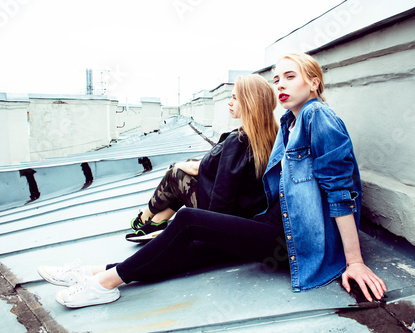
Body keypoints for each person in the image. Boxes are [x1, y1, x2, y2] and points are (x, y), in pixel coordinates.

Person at [38, 52, 387, 308]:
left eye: (290, 77)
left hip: (293, 240)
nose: (280, 84)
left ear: (314, 82)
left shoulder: (318, 116)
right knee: (197, 249)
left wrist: (353, 261)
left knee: (188, 220)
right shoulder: (289, 124)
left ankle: (105, 283)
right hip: (275, 226)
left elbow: (341, 192)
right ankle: (97, 272)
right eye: (277, 79)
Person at [125, 74, 279, 242]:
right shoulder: (272, 134)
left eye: (235, 97)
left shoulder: (239, 140)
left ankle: (143, 220)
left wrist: (210, 229)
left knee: (175, 174)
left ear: (250, 102)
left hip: (225, 220)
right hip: (246, 214)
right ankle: (156, 222)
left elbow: (216, 186)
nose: (229, 102)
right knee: (186, 170)